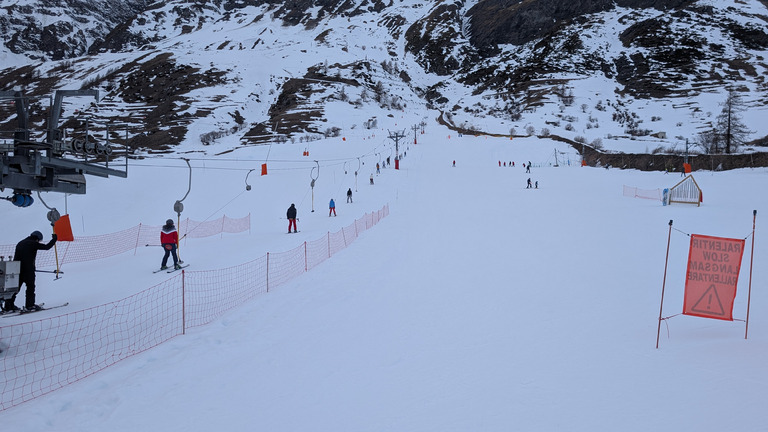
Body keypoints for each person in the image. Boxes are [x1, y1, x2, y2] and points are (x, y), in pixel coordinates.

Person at [3, 230, 57, 312]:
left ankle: (8, 306)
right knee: (30, 288)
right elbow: (46, 247)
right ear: (37, 238)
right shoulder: (33, 243)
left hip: (17, 270)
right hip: (28, 270)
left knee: (15, 289)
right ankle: (30, 305)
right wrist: (54, 239)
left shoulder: (20, 243)